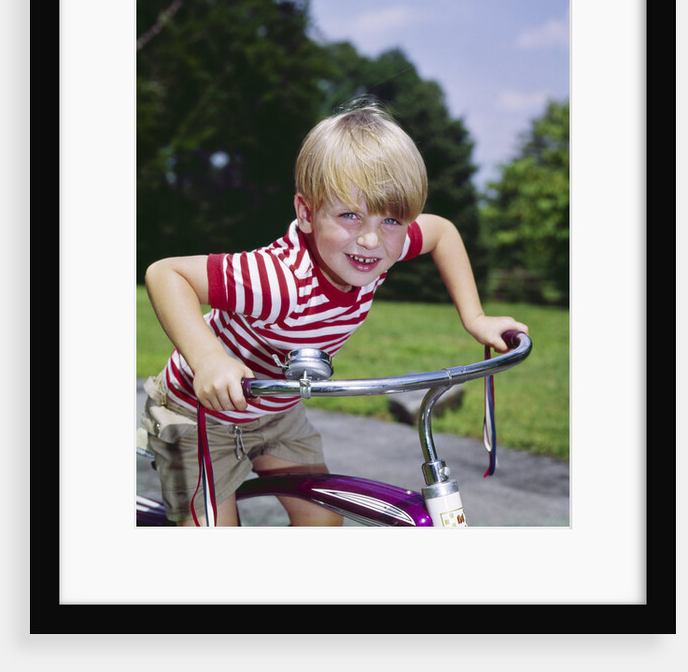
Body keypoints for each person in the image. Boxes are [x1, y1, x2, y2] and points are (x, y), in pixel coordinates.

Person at [142, 97, 528, 526]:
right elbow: (165, 274)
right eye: (349, 215)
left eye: (392, 220)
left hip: (275, 410)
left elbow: (442, 232)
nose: (370, 240)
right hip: (199, 415)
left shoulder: (383, 248)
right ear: (306, 213)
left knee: (324, 521)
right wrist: (209, 359)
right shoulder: (278, 280)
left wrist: (475, 317)